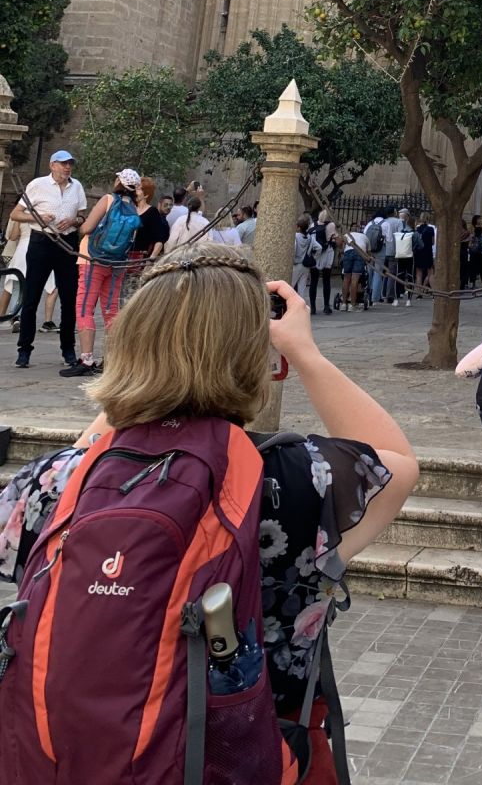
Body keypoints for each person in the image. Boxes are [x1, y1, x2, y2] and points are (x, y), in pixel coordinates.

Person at [0, 242, 419, 782]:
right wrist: (307, 355)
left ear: (129, 344)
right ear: (257, 356)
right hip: (240, 754)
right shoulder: (294, 479)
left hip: (66, 761)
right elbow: (399, 465)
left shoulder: (56, 480)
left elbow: (91, 456)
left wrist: (143, 377)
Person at [63, 167, 144, 378]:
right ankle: (113, 360)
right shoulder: (134, 208)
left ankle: (87, 359)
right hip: (116, 264)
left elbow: (86, 228)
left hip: (92, 260)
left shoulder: (108, 200)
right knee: (111, 311)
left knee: (84, 308)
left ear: (119, 182)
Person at [12, 148, 87, 371]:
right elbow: (16, 214)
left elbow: (83, 215)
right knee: (31, 297)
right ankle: (24, 349)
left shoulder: (77, 186)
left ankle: (68, 349)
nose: (67, 167)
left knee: (68, 298)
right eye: (63, 163)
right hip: (41, 241)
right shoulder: (37, 185)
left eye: (70, 163)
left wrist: (74, 221)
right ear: (52, 165)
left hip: (67, 243)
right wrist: (39, 217)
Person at [132, 177, 170, 267]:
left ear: (146, 194)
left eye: (138, 189)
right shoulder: (129, 209)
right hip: (122, 256)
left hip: (140, 258)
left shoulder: (152, 212)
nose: (134, 192)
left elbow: (159, 240)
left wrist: (150, 260)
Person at [310, 212, 337, 316]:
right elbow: (334, 239)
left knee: (314, 281)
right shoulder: (331, 225)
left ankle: (313, 307)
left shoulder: (313, 225)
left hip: (316, 254)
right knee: (326, 280)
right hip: (327, 253)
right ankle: (326, 306)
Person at [340, 224, 368, 311]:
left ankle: (344, 304)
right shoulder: (364, 236)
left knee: (346, 278)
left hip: (348, 253)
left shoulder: (346, 236)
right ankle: (352, 305)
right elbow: (368, 253)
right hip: (360, 254)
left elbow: (342, 249)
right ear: (359, 230)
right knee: (355, 279)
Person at [292, 214, 316, 300]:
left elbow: (294, 248)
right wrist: (312, 255)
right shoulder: (309, 237)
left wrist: (293, 258)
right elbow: (319, 247)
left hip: (296, 264)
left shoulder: (295, 236)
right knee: (302, 289)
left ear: (298, 227)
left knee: (290, 286)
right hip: (306, 265)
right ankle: (301, 307)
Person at [413, 217, 435, 296]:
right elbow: (433, 242)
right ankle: (434, 292)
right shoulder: (430, 229)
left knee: (419, 274)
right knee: (430, 273)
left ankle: (419, 294)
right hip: (428, 252)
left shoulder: (417, 229)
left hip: (419, 253)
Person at [467, 215, 482, 288]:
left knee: (481, 267)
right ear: (475, 219)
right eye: (479, 219)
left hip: (480, 250)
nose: (480, 220)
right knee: (473, 267)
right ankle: (473, 283)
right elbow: (470, 238)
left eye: (480, 219)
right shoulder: (471, 227)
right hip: (473, 250)